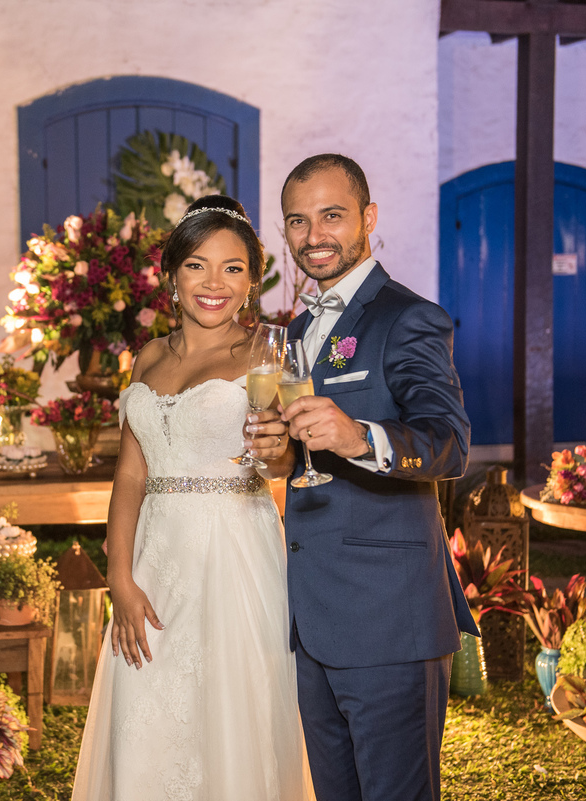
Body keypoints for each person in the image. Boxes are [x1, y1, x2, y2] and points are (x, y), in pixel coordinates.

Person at [71, 195, 313, 801]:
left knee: (230, 715)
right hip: (155, 558)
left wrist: (277, 452)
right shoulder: (148, 357)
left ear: (252, 282)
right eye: (197, 265)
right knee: (147, 710)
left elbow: (285, 461)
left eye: (233, 268)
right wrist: (119, 577)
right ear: (172, 276)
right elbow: (130, 477)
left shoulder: (267, 354)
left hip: (233, 554)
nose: (214, 283)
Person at [251, 154, 478, 801]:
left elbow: (450, 443)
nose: (314, 235)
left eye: (332, 215)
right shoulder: (296, 330)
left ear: (368, 217)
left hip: (389, 618)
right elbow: (303, 461)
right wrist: (278, 453)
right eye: (298, 220)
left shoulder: (409, 317)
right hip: (313, 618)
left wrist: (360, 437)